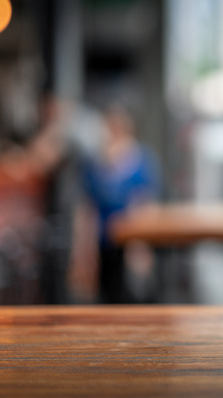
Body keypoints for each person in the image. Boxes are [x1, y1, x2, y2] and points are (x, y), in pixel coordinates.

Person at [80, 104, 158, 303]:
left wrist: (142, 246)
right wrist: (84, 251)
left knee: (132, 295)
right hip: (104, 240)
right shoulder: (95, 162)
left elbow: (144, 203)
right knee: (105, 296)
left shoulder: (141, 159)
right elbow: (88, 208)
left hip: (132, 241)